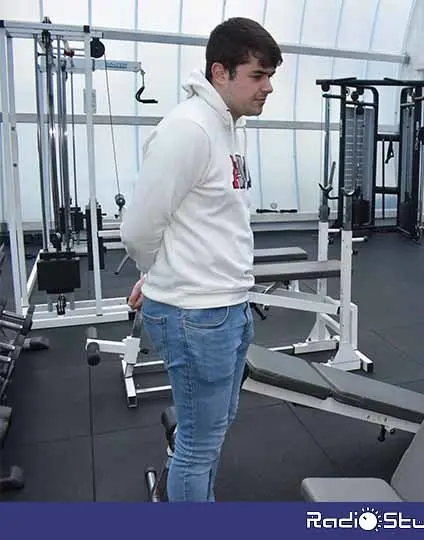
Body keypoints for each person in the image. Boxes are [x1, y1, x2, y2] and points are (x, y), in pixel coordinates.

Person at [120, 17, 282, 502]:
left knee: (212, 431)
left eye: (270, 75)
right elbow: (139, 227)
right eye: (258, 75)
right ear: (220, 72)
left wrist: (155, 276)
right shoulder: (188, 130)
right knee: (198, 443)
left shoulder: (225, 126)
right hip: (196, 315)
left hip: (226, 305)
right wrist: (156, 277)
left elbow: (201, 220)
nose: (268, 87)